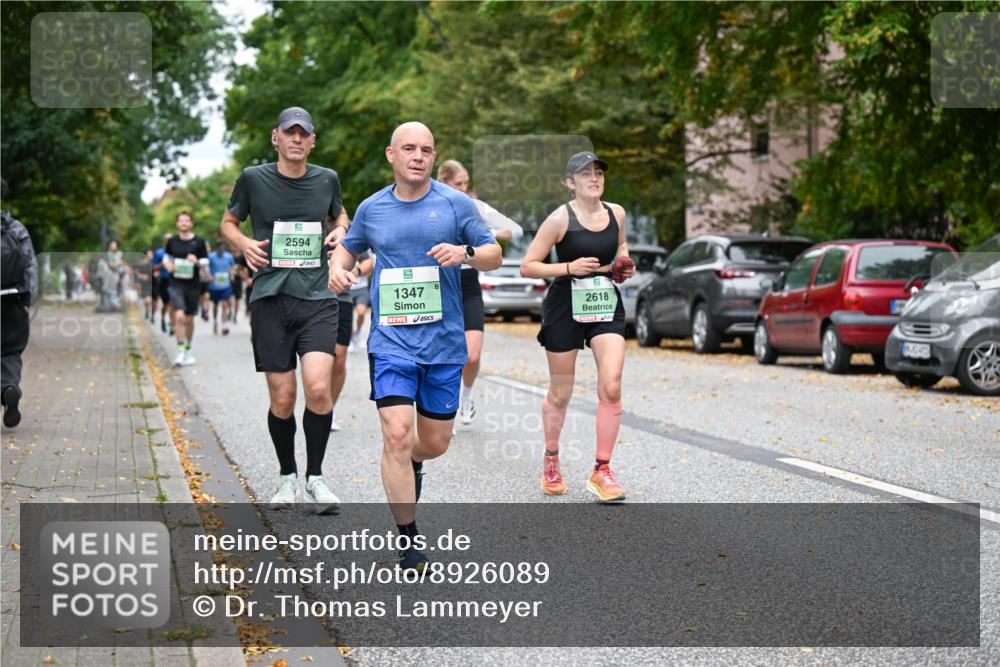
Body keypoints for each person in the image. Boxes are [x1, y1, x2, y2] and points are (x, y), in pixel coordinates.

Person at [328, 122, 502, 570]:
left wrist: (463, 253)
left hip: (443, 343)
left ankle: (414, 463)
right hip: (391, 341)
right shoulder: (372, 208)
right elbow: (347, 250)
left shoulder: (455, 203)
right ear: (391, 154)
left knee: (435, 442)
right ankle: (408, 540)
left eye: (426, 150)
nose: (418, 156)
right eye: (409, 148)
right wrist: (337, 270)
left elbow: (494, 253)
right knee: (397, 434)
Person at [220, 106, 346, 514]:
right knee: (283, 398)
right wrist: (243, 244)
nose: (296, 139)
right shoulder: (253, 179)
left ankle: (317, 478)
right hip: (271, 298)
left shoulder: (326, 179)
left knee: (319, 389)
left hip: (318, 299)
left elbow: (340, 213)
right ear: (275, 138)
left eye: (303, 134)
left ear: (312, 141)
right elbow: (228, 222)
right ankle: (287, 476)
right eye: (289, 133)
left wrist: (342, 228)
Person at [520, 152, 636, 502]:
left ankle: (602, 470)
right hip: (564, 306)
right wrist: (568, 268)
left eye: (598, 173)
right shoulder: (559, 219)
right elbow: (529, 266)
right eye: (586, 174)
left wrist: (623, 264)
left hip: (603, 300)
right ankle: (552, 459)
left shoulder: (617, 213)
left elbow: (621, 247)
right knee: (561, 392)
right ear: (570, 183)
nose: (594, 179)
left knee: (612, 385)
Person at [437, 159, 523, 429]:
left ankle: (467, 395)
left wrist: (488, 232)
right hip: (440, 284)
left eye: (466, 183)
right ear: (444, 183)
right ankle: (441, 410)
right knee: (444, 355)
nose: (464, 188)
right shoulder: (433, 204)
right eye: (458, 183)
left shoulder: (475, 207)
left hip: (468, 284)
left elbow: (516, 230)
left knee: (472, 355)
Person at [1, 178, 38, 428]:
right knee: (10, 351)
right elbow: (30, 265)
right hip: (12, 299)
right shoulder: (15, 228)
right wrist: (28, 300)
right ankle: (9, 388)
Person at [330, 252, 374, 431]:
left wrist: (355, 271)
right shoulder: (308, 223)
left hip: (343, 298)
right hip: (313, 299)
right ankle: (318, 405)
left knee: (339, 358)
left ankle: (328, 409)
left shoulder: (347, 232)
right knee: (321, 358)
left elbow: (369, 261)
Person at [164, 211, 209, 366]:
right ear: (177, 224)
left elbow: (205, 263)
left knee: (189, 319)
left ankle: (188, 350)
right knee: (179, 316)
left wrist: (196, 261)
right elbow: (166, 258)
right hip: (176, 283)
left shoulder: (199, 242)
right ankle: (180, 351)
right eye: (181, 220)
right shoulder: (172, 242)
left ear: (191, 224)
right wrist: (167, 265)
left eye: (186, 220)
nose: (184, 223)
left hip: (193, 285)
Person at [207, 240, 236, 335]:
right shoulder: (211, 256)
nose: (222, 250)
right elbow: (206, 267)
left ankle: (224, 325)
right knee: (215, 305)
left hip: (225, 284)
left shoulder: (228, 256)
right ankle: (215, 321)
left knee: (224, 304)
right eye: (220, 248)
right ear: (217, 248)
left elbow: (233, 266)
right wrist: (208, 275)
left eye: (223, 248)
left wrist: (232, 273)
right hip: (214, 285)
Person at [152, 233, 174, 334]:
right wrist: (163, 264)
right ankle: (163, 319)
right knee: (166, 304)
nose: (169, 241)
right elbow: (153, 268)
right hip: (163, 280)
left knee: (172, 302)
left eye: (171, 239)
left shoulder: (177, 251)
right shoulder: (159, 253)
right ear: (164, 241)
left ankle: (172, 323)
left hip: (175, 280)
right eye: (167, 239)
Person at [131, 250, 154, 320]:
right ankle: (147, 310)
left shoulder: (154, 263)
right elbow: (136, 272)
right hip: (145, 284)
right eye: (149, 254)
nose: (150, 256)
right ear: (146, 255)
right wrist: (142, 276)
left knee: (150, 299)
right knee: (147, 300)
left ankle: (150, 311)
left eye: (151, 254)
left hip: (153, 284)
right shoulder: (142, 264)